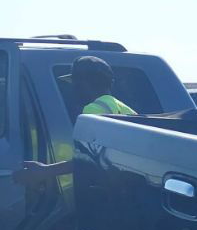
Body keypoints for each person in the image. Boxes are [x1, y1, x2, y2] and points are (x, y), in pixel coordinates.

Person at [14, 56, 135, 185]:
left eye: (75, 83)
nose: (73, 90)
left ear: (85, 82)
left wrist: (44, 171)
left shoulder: (93, 109)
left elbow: (86, 161)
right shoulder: (124, 108)